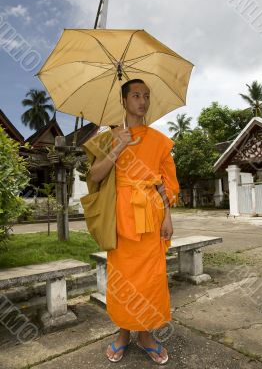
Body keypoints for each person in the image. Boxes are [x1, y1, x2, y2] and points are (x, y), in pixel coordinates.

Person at [90, 79, 179, 364]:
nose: (143, 101)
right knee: (124, 281)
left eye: (147, 95)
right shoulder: (108, 137)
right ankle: (123, 333)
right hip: (121, 219)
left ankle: (147, 335)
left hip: (152, 217)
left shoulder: (159, 141)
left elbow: (168, 184)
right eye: (136, 95)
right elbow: (95, 176)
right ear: (124, 101)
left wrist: (167, 215)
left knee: (151, 279)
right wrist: (117, 147)